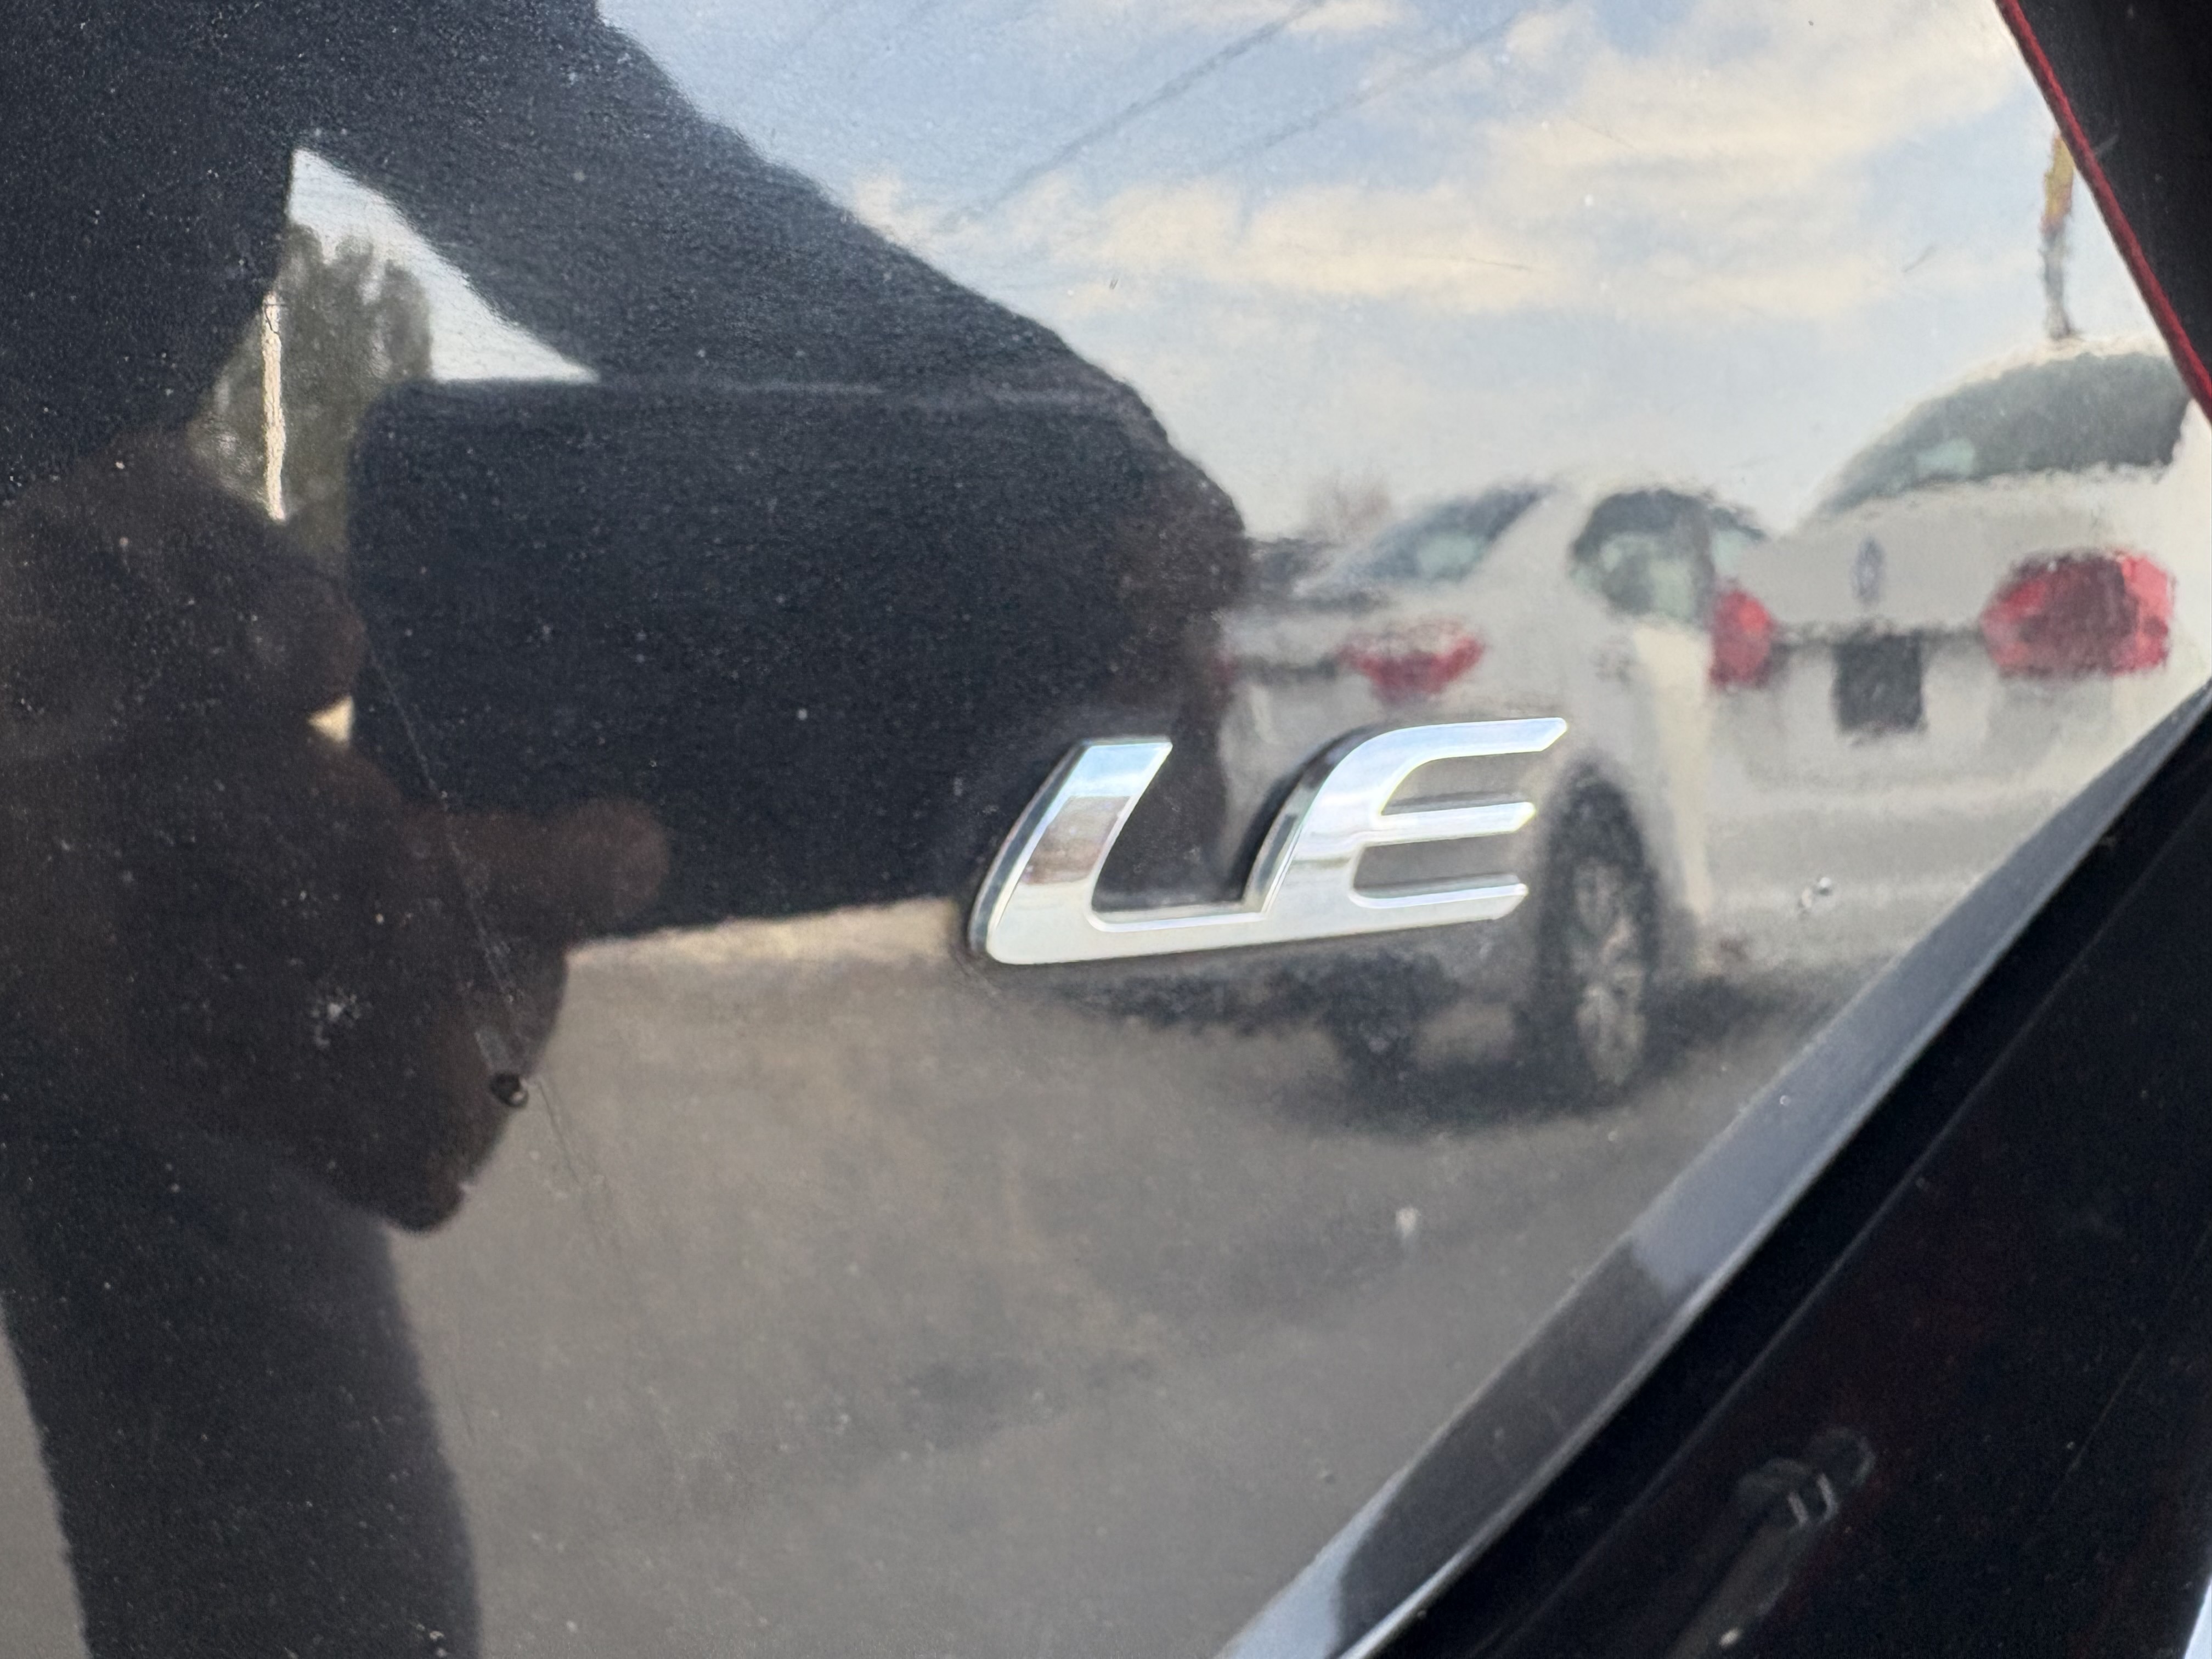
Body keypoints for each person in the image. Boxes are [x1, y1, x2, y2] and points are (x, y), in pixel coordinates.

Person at [0, 4, 1244, 1652]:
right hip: (97, 738)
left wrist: (1038, 420)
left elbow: (543, 134)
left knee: (327, 1562)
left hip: (120, 763)